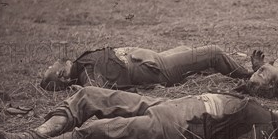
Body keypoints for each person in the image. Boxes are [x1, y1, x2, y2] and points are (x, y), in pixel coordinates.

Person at [0, 87, 278, 139]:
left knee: (99, 131)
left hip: (175, 128)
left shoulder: (264, 127)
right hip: (166, 106)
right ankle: (32, 136)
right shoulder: (257, 103)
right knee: (89, 95)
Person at [40, 45, 252, 91]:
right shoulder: (87, 75)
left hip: (153, 59)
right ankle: (251, 77)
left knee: (188, 50)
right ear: (62, 75)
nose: (52, 62)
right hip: (157, 68)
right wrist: (81, 91)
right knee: (213, 53)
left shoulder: (82, 65)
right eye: (50, 67)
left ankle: (227, 66)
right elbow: (96, 93)